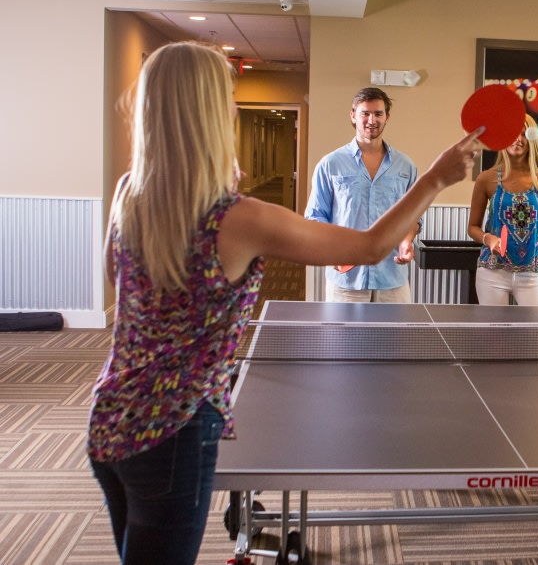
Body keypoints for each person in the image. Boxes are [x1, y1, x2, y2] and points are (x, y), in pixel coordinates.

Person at [87, 41, 481, 565]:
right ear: (208, 111)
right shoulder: (238, 217)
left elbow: (116, 280)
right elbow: (369, 246)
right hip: (174, 429)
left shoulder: (128, 193)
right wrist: (435, 178)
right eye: (226, 97)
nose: (232, 108)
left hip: (112, 414)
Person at [305, 87, 420, 302]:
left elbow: (412, 218)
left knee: (398, 328)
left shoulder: (406, 166)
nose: (371, 120)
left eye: (378, 113)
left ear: (387, 117)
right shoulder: (330, 164)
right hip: (347, 281)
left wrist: (406, 241)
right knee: (342, 329)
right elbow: (315, 216)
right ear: (353, 115)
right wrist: (332, 249)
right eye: (365, 113)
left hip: (392, 278)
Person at [467, 116, 538, 306]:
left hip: (532, 274)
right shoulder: (485, 179)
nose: (517, 139)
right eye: (512, 133)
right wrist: (488, 238)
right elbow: (472, 227)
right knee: (493, 328)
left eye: (524, 134)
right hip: (492, 272)